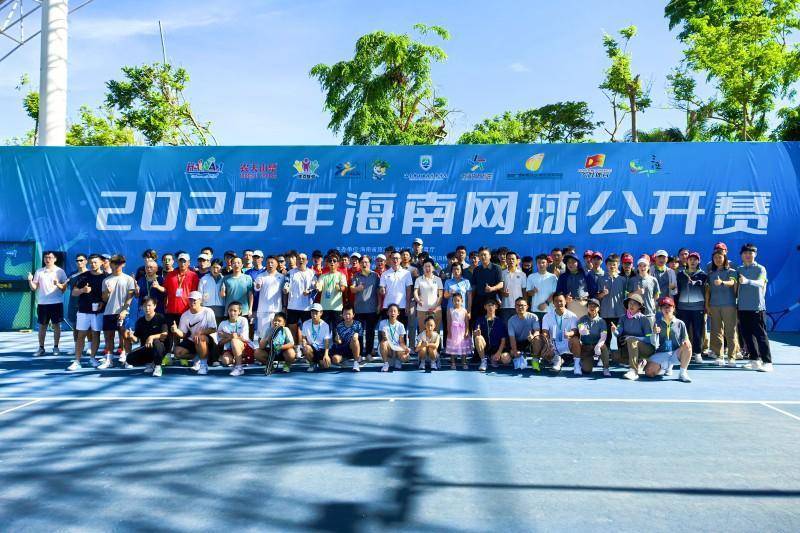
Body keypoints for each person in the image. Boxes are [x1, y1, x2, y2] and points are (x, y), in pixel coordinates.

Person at [737, 244, 772, 372]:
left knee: (761, 336)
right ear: (741, 255)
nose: (747, 255)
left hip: (757, 307)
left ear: (755, 254)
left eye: (750, 253)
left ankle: (767, 362)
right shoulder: (739, 269)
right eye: (745, 253)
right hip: (742, 307)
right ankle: (754, 360)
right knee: (747, 335)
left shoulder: (761, 269)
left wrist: (747, 281)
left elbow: (761, 283)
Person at [67, 254, 106, 371]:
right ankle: (77, 361)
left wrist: (102, 302)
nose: (93, 264)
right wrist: (83, 290)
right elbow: (74, 292)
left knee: (96, 334)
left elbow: (108, 295)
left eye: (95, 262)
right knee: (81, 335)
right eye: (91, 262)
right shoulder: (83, 276)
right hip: (83, 310)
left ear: (101, 263)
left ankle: (92, 358)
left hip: (98, 312)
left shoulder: (106, 277)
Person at [28, 250, 68, 356]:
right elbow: (34, 288)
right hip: (42, 304)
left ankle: (56, 347)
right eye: (46, 257)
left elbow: (64, 288)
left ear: (55, 259)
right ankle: (41, 348)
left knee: (56, 326)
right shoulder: (39, 271)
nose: (47, 259)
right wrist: (30, 280)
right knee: (42, 326)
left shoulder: (60, 271)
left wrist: (58, 284)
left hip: (56, 303)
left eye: (50, 257)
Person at [100, 255, 136, 369]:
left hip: (123, 313)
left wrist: (124, 310)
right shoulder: (106, 280)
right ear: (111, 264)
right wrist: (107, 292)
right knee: (108, 337)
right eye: (114, 263)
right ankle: (109, 360)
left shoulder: (128, 279)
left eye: (119, 263)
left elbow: (130, 297)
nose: (116, 265)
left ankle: (128, 360)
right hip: (108, 313)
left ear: (123, 264)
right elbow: (104, 299)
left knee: (126, 337)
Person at [644, 296, 692, 382]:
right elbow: (652, 342)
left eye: (669, 306)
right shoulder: (657, 323)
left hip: (675, 353)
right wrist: (654, 333)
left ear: (673, 308)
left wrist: (686, 342)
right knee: (649, 372)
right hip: (661, 353)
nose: (666, 309)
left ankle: (682, 373)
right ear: (661, 309)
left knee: (688, 346)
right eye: (664, 307)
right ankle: (666, 365)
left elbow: (686, 339)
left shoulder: (680, 323)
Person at [171, 291, 217, 375]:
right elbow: (183, 334)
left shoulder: (208, 311)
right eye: (190, 300)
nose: (192, 302)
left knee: (199, 338)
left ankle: (203, 365)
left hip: (208, 341)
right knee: (177, 352)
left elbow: (213, 329)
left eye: (195, 300)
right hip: (193, 340)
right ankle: (198, 357)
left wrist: (201, 332)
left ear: (200, 301)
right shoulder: (185, 315)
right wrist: (176, 330)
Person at [707, 249, 738, 367]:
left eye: (720, 257)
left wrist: (722, 282)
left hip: (729, 305)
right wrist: (707, 306)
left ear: (725, 258)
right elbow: (708, 291)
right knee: (716, 332)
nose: (718, 259)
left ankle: (732, 357)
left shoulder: (732, 271)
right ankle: (719, 356)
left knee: (730, 331)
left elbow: (732, 283)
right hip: (714, 306)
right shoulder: (711, 274)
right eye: (715, 258)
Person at [614, 293, 655, 381]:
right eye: (630, 303)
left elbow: (648, 339)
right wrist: (614, 331)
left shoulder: (644, 319)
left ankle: (633, 371)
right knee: (615, 356)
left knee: (632, 341)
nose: (631, 305)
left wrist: (632, 338)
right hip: (629, 347)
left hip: (647, 349)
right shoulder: (622, 318)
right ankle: (640, 362)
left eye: (635, 303)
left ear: (639, 306)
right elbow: (618, 332)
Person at [163, 252, 199, 353]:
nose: (182, 263)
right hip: (171, 310)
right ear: (177, 262)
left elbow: (195, 294)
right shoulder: (170, 275)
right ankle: (171, 354)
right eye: (180, 261)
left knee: (185, 333)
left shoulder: (193, 276)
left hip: (187, 311)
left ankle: (183, 353)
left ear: (188, 262)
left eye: (184, 261)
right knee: (172, 333)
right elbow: (165, 290)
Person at [123, 297, 167, 377]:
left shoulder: (160, 317)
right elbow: (136, 340)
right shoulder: (140, 321)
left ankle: (158, 366)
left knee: (156, 342)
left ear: (155, 306)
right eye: (145, 306)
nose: (147, 308)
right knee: (129, 358)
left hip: (160, 348)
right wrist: (131, 336)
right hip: (146, 348)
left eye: (149, 305)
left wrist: (151, 337)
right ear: (142, 307)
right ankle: (150, 362)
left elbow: (164, 334)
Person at [676, 251, 707, 362]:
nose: (693, 261)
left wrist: (696, 282)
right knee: (683, 333)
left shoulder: (703, 275)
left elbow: (705, 289)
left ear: (698, 261)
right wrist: (676, 306)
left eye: (695, 260)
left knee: (697, 332)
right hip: (682, 308)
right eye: (690, 259)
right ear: (687, 261)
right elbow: (677, 291)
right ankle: (682, 353)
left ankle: (697, 353)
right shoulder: (680, 274)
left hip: (698, 308)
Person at [539, 293, 580, 373]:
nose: (559, 303)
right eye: (556, 301)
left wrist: (569, 334)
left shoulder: (572, 316)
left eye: (561, 301)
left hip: (567, 343)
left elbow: (575, 331)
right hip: (552, 344)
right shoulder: (547, 316)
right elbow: (545, 333)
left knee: (575, 340)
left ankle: (577, 365)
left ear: (565, 302)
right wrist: (548, 344)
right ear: (553, 303)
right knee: (543, 349)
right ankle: (557, 360)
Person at [597, 254, 626, 362]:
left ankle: (620, 357)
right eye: (610, 264)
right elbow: (598, 297)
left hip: (620, 313)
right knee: (606, 336)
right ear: (606, 265)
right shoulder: (601, 279)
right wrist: (603, 294)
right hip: (605, 313)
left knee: (619, 336)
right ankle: (603, 358)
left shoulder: (623, 279)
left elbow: (626, 296)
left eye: (614, 264)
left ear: (618, 265)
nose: (612, 266)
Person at [351, 255, 380, 360]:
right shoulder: (356, 276)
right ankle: (359, 354)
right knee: (359, 333)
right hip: (358, 309)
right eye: (362, 262)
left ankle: (368, 353)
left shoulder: (375, 276)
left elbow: (378, 291)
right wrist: (357, 288)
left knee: (370, 332)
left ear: (370, 264)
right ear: (359, 264)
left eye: (366, 262)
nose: (364, 264)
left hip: (371, 309)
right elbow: (352, 289)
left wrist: (379, 304)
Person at [217, 301, 256, 376]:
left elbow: (244, 338)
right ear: (227, 311)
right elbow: (220, 342)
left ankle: (239, 367)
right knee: (225, 360)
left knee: (234, 341)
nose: (232, 313)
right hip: (229, 349)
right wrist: (231, 336)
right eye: (230, 310)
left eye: (235, 311)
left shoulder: (243, 320)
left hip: (244, 347)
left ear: (239, 312)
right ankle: (239, 360)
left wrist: (226, 335)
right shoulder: (222, 323)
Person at [220, 256, 255, 334]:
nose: (236, 265)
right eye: (234, 263)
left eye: (239, 263)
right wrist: (222, 292)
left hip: (244, 311)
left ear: (242, 265)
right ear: (231, 265)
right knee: (229, 334)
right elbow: (222, 295)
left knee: (243, 334)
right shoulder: (225, 278)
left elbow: (250, 294)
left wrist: (250, 309)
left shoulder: (247, 278)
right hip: (230, 311)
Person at [253, 256, 285, 339]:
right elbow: (257, 288)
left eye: (272, 263)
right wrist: (258, 285)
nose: (270, 264)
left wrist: (284, 307)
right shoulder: (260, 276)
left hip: (276, 310)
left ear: (277, 264)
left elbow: (284, 293)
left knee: (276, 336)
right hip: (263, 310)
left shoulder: (282, 277)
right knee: (262, 336)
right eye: (268, 263)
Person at [576, 299, 609, 377]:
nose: (592, 307)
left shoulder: (602, 321)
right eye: (590, 305)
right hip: (586, 347)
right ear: (587, 307)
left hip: (597, 345)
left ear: (598, 308)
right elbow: (581, 329)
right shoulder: (582, 319)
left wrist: (597, 346)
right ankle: (587, 361)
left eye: (595, 306)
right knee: (586, 370)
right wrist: (583, 331)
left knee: (603, 346)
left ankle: (606, 368)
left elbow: (603, 337)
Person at [556, 253, 595, 318]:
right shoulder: (563, 277)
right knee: (570, 324)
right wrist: (565, 298)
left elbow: (593, 290)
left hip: (584, 305)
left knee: (583, 324)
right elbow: (558, 292)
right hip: (569, 306)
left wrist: (590, 304)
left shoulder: (586, 275)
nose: (570, 264)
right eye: (568, 262)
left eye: (573, 262)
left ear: (578, 263)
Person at [286, 252, 316, 336]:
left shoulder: (312, 273)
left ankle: (305, 344)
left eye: (303, 259)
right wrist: (286, 289)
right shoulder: (290, 273)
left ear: (307, 261)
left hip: (307, 307)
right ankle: (294, 344)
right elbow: (286, 284)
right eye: (299, 259)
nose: (301, 260)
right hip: (292, 306)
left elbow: (315, 288)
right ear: (296, 260)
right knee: (292, 330)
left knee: (307, 331)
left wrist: (309, 291)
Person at [472, 299, 507, 372]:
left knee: (506, 359)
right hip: (484, 347)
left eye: (493, 305)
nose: (491, 307)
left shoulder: (501, 321)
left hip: (495, 349)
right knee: (478, 338)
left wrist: (499, 352)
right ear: (485, 307)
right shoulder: (480, 319)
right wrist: (476, 332)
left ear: (496, 307)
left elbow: (503, 339)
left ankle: (492, 358)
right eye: (489, 305)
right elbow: (475, 332)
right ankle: (483, 360)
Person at [379, 252, 413, 325]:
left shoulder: (407, 273)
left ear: (400, 260)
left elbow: (409, 290)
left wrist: (408, 304)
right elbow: (382, 287)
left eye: (397, 258)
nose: (395, 260)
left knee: (402, 330)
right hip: (387, 306)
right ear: (390, 260)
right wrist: (382, 290)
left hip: (402, 306)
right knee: (386, 330)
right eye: (393, 258)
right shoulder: (384, 274)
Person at [507, 297, 540, 370]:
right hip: (517, 342)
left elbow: (537, 331)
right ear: (515, 307)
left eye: (522, 305)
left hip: (529, 341)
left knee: (537, 339)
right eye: (518, 305)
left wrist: (533, 337)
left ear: (527, 307)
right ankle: (517, 358)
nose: (520, 307)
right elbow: (512, 338)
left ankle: (535, 361)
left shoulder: (534, 317)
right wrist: (515, 351)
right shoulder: (511, 320)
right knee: (510, 355)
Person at [470, 247, 503, 319]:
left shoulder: (497, 268)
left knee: (493, 321)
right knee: (479, 322)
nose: (483, 257)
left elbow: (501, 284)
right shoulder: (476, 270)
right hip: (479, 301)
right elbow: (473, 287)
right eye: (481, 255)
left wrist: (492, 288)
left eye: (485, 255)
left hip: (492, 300)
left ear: (490, 256)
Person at [316, 254, 348, 327]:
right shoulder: (323, 276)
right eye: (330, 261)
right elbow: (319, 288)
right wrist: (317, 286)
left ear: (338, 263)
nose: (332, 262)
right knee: (325, 330)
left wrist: (340, 288)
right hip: (324, 308)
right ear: (327, 263)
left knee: (336, 330)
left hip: (337, 308)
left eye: (334, 261)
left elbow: (344, 288)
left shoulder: (341, 275)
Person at [526, 254, 558, 324]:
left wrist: (546, 303)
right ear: (536, 264)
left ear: (547, 264)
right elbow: (528, 293)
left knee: (548, 330)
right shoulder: (531, 277)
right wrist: (533, 291)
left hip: (549, 310)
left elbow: (555, 293)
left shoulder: (553, 277)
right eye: (539, 263)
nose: (541, 264)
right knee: (536, 330)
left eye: (543, 262)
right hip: (535, 310)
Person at [299, 303, 331, 372]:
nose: (314, 315)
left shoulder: (325, 325)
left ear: (321, 313)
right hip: (311, 348)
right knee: (306, 348)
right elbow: (303, 337)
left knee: (326, 366)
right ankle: (312, 364)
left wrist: (326, 354)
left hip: (321, 349)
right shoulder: (305, 323)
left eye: (316, 312)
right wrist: (304, 342)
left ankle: (318, 362)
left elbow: (327, 341)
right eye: (312, 312)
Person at [66, 253, 88, 353]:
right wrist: (57, 284)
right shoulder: (72, 275)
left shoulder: (90, 273)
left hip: (87, 305)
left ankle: (89, 347)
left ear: (86, 261)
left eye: (81, 260)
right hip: (74, 305)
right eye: (77, 261)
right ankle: (77, 347)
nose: (79, 262)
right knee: (75, 327)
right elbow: (63, 286)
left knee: (89, 328)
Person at [414, 259, 444, 332]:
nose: (427, 268)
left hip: (436, 309)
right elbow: (415, 292)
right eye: (425, 267)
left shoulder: (438, 279)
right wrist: (418, 300)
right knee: (422, 332)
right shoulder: (418, 279)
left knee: (435, 332)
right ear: (423, 268)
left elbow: (440, 295)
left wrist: (435, 307)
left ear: (433, 268)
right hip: (422, 309)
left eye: (429, 266)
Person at [378, 303, 410, 372]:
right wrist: (384, 336)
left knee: (405, 357)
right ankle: (386, 364)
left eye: (395, 311)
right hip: (387, 348)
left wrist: (406, 349)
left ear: (398, 313)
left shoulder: (401, 325)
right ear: (387, 313)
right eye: (390, 311)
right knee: (383, 343)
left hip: (397, 348)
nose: (393, 313)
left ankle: (397, 360)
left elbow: (401, 342)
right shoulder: (382, 323)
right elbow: (382, 339)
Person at [627, 255, 660, 322]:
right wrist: (637, 292)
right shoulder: (632, 280)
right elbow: (628, 296)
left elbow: (657, 294)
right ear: (637, 267)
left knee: (650, 329)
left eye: (645, 265)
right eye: (640, 265)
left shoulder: (653, 280)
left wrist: (652, 302)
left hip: (649, 313)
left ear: (648, 267)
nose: (642, 268)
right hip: (635, 314)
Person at [445, 292, 472, 370]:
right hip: (453, 331)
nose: (456, 302)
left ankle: (464, 362)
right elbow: (449, 322)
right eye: (454, 301)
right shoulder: (450, 310)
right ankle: (453, 363)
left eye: (458, 300)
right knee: (453, 346)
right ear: (452, 301)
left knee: (463, 347)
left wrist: (466, 331)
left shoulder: (464, 310)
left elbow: (466, 322)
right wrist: (449, 332)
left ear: (462, 301)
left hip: (462, 331)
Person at [333, 306, 363, 372]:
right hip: (343, 350)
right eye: (345, 314)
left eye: (349, 314)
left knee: (355, 339)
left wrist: (356, 336)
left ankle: (356, 363)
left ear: (353, 315)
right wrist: (338, 340)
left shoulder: (358, 324)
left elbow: (360, 339)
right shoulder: (339, 326)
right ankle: (346, 359)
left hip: (354, 347)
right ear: (342, 315)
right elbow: (339, 342)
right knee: (335, 359)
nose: (347, 316)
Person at [500, 251, 527, 322]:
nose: (511, 261)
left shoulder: (522, 274)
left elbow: (524, 290)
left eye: (513, 259)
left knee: (519, 326)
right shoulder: (502, 273)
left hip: (519, 306)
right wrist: (503, 293)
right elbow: (499, 288)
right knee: (506, 326)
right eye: (509, 259)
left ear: (517, 261)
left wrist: (525, 304)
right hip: (505, 306)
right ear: (506, 260)